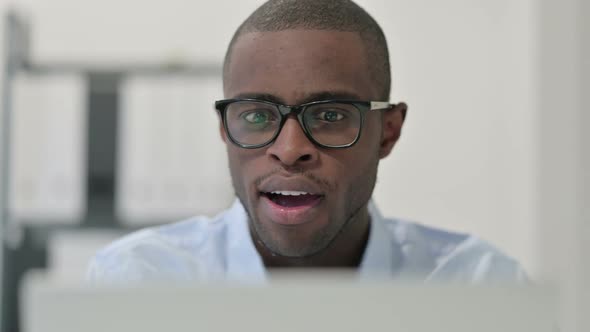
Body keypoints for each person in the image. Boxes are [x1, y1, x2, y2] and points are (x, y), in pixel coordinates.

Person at [88, 0, 526, 283]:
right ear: (225, 131)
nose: (290, 148)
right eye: (258, 115)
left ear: (387, 132)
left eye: (330, 115)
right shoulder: (138, 280)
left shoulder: (477, 284)